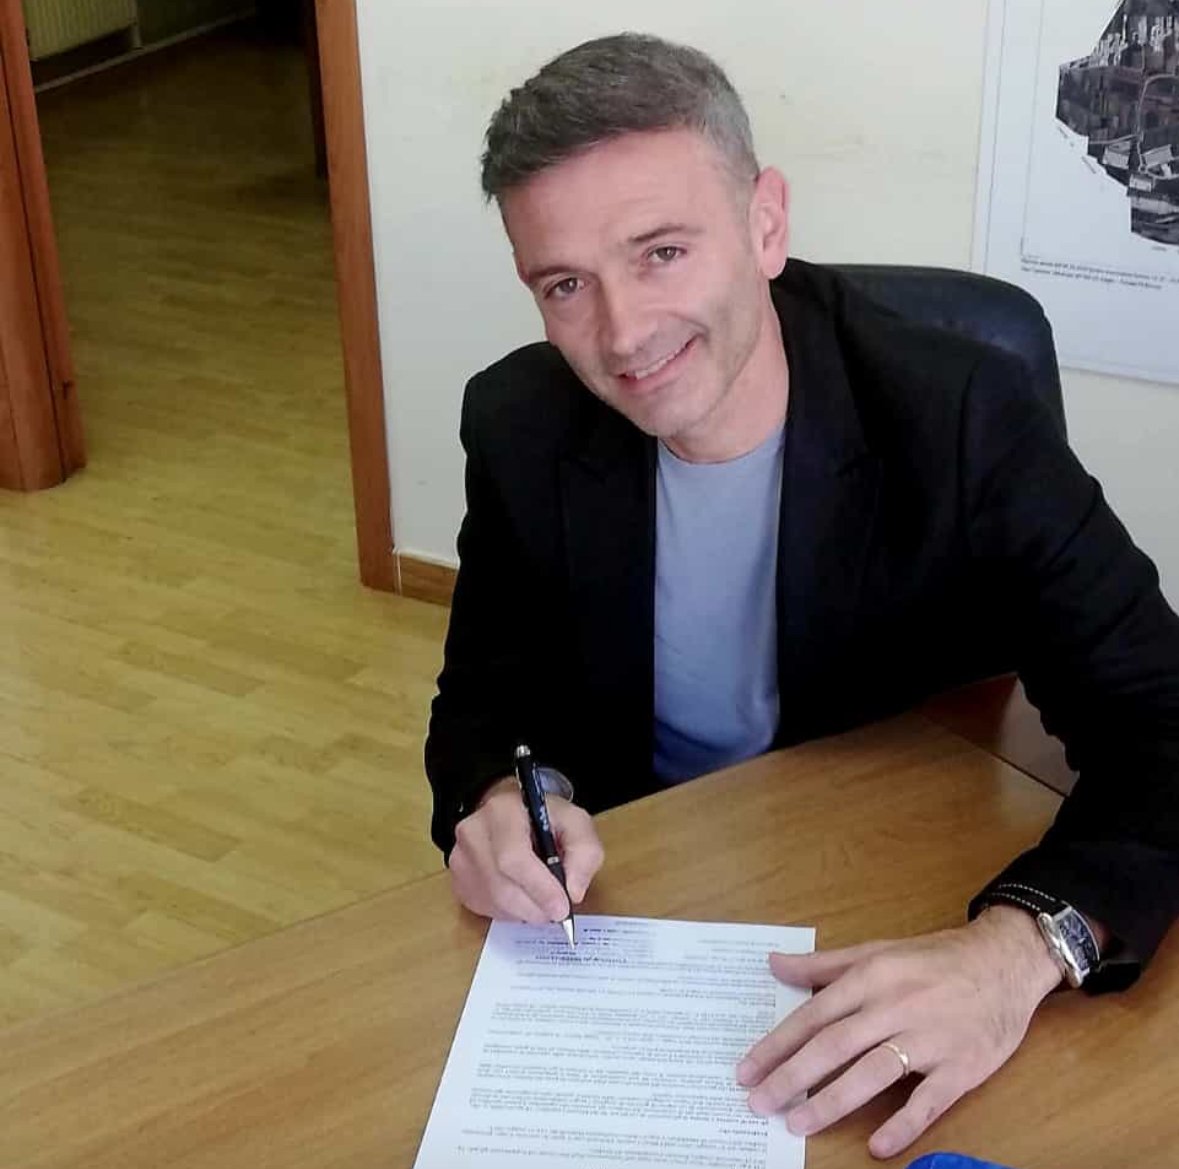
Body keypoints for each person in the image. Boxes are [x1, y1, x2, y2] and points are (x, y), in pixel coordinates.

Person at [424, 32, 1179, 1159]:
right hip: (640, 913)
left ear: (765, 224)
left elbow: (1162, 723)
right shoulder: (519, 422)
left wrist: (1016, 950)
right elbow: (482, 699)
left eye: (662, 251)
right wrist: (496, 795)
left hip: (902, 893)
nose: (622, 333)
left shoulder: (959, 410)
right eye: (565, 284)